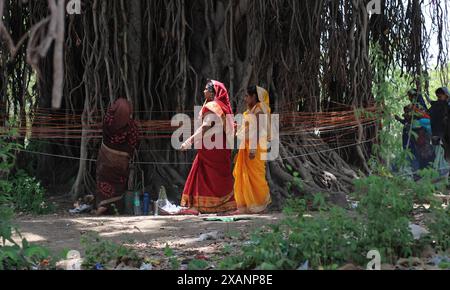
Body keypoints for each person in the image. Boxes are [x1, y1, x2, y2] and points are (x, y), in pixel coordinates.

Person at [179, 80, 236, 215]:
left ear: (212, 92)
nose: (203, 91)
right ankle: (222, 205)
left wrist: (189, 141)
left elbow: (205, 127)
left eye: (206, 89)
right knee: (211, 175)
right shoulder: (221, 106)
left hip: (212, 150)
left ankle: (197, 206)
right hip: (218, 148)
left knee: (202, 174)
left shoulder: (213, 106)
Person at [95, 98, 139, 215]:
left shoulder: (108, 120)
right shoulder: (131, 127)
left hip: (104, 158)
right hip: (120, 162)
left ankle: (101, 204)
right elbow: (133, 143)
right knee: (118, 184)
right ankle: (115, 208)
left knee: (102, 180)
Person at [232, 86, 272, 214]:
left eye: (247, 96)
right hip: (248, 146)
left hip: (255, 146)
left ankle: (260, 205)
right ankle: (247, 206)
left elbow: (259, 130)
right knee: (245, 175)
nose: (245, 98)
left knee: (256, 175)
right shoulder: (253, 110)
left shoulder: (259, 110)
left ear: (254, 96)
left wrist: (253, 149)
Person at [395, 89, 434, 174]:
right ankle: (418, 171)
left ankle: (428, 170)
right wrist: (401, 119)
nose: (410, 98)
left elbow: (424, 116)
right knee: (414, 151)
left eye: (411, 96)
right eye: (409, 96)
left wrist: (413, 112)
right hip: (412, 133)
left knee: (424, 150)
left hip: (421, 132)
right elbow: (407, 121)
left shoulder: (419, 106)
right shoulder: (410, 107)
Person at [430, 87, 450, 177]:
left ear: (447, 97)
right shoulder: (436, 107)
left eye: (440, 96)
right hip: (439, 134)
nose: (438, 98)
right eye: (437, 97)